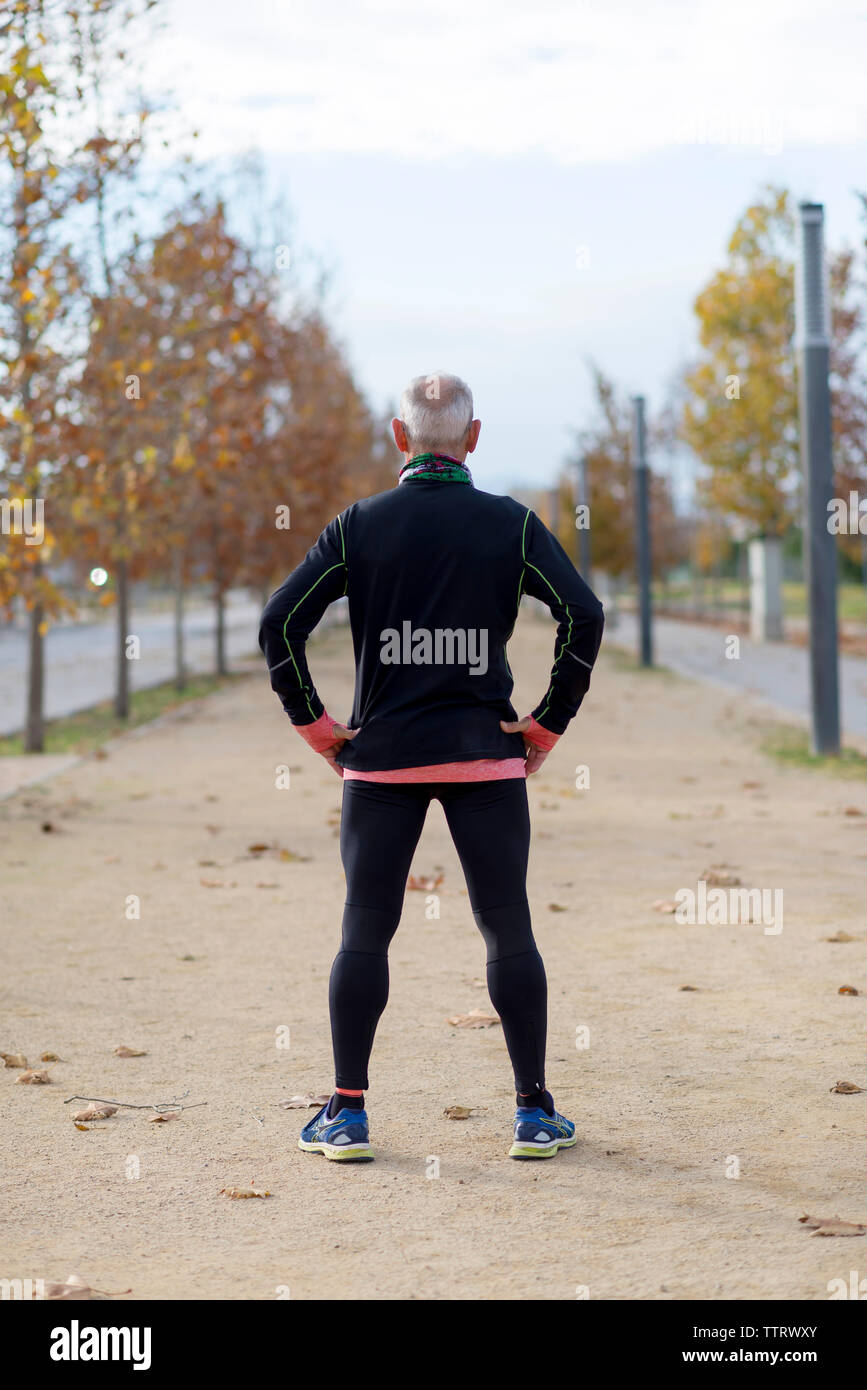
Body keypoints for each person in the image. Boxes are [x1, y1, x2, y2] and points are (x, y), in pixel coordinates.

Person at [259, 371, 604, 1162]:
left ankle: (346, 1114)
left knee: (365, 929)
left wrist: (317, 727)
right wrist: (545, 728)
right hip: (486, 757)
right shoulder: (511, 526)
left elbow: (280, 622)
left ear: (398, 436)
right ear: (472, 438)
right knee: (505, 922)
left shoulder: (357, 526)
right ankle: (532, 1114)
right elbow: (582, 613)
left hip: (379, 763)